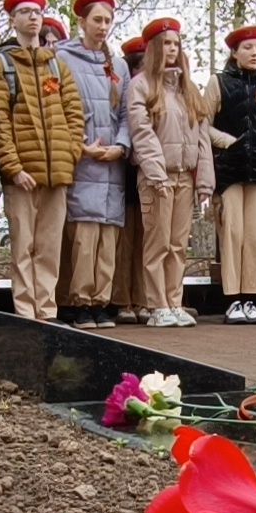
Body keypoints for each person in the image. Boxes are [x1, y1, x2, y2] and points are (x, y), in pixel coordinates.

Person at [0, 0, 84, 322]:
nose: (33, 17)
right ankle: (25, 313)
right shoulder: (2, 64)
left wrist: (70, 154)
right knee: (23, 247)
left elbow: (75, 115)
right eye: (26, 11)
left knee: (48, 248)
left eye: (38, 11)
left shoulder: (56, 66)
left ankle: (46, 311)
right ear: (13, 19)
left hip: (56, 173)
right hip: (22, 177)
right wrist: (13, 168)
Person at [53, 0, 130, 329]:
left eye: (108, 21)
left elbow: (128, 114)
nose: (103, 27)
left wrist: (122, 145)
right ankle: (80, 301)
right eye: (96, 20)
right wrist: (80, 144)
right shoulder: (62, 59)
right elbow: (58, 109)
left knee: (108, 238)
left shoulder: (119, 66)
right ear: (81, 22)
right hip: (82, 160)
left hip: (112, 161)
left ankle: (102, 300)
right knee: (84, 237)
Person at [128, 16, 212, 327]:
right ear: (153, 48)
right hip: (156, 178)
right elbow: (142, 132)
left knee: (178, 244)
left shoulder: (189, 89)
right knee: (157, 243)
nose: (172, 49)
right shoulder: (142, 86)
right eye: (166, 43)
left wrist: (204, 181)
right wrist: (156, 173)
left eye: (176, 43)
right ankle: (156, 304)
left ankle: (175, 301)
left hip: (184, 177)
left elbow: (202, 138)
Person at [205, 24, 256, 325]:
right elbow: (204, 123)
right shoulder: (218, 82)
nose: (254, 53)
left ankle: (252, 298)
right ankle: (232, 299)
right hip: (230, 168)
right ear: (235, 52)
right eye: (248, 48)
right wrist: (228, 142)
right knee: (233, 232)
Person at [110, 35, 148, 323]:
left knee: (148, 238)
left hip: (150, 170)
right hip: (123, 168)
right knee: (125, 240)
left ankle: (144, 298)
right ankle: (123, 299)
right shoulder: (122, 87)